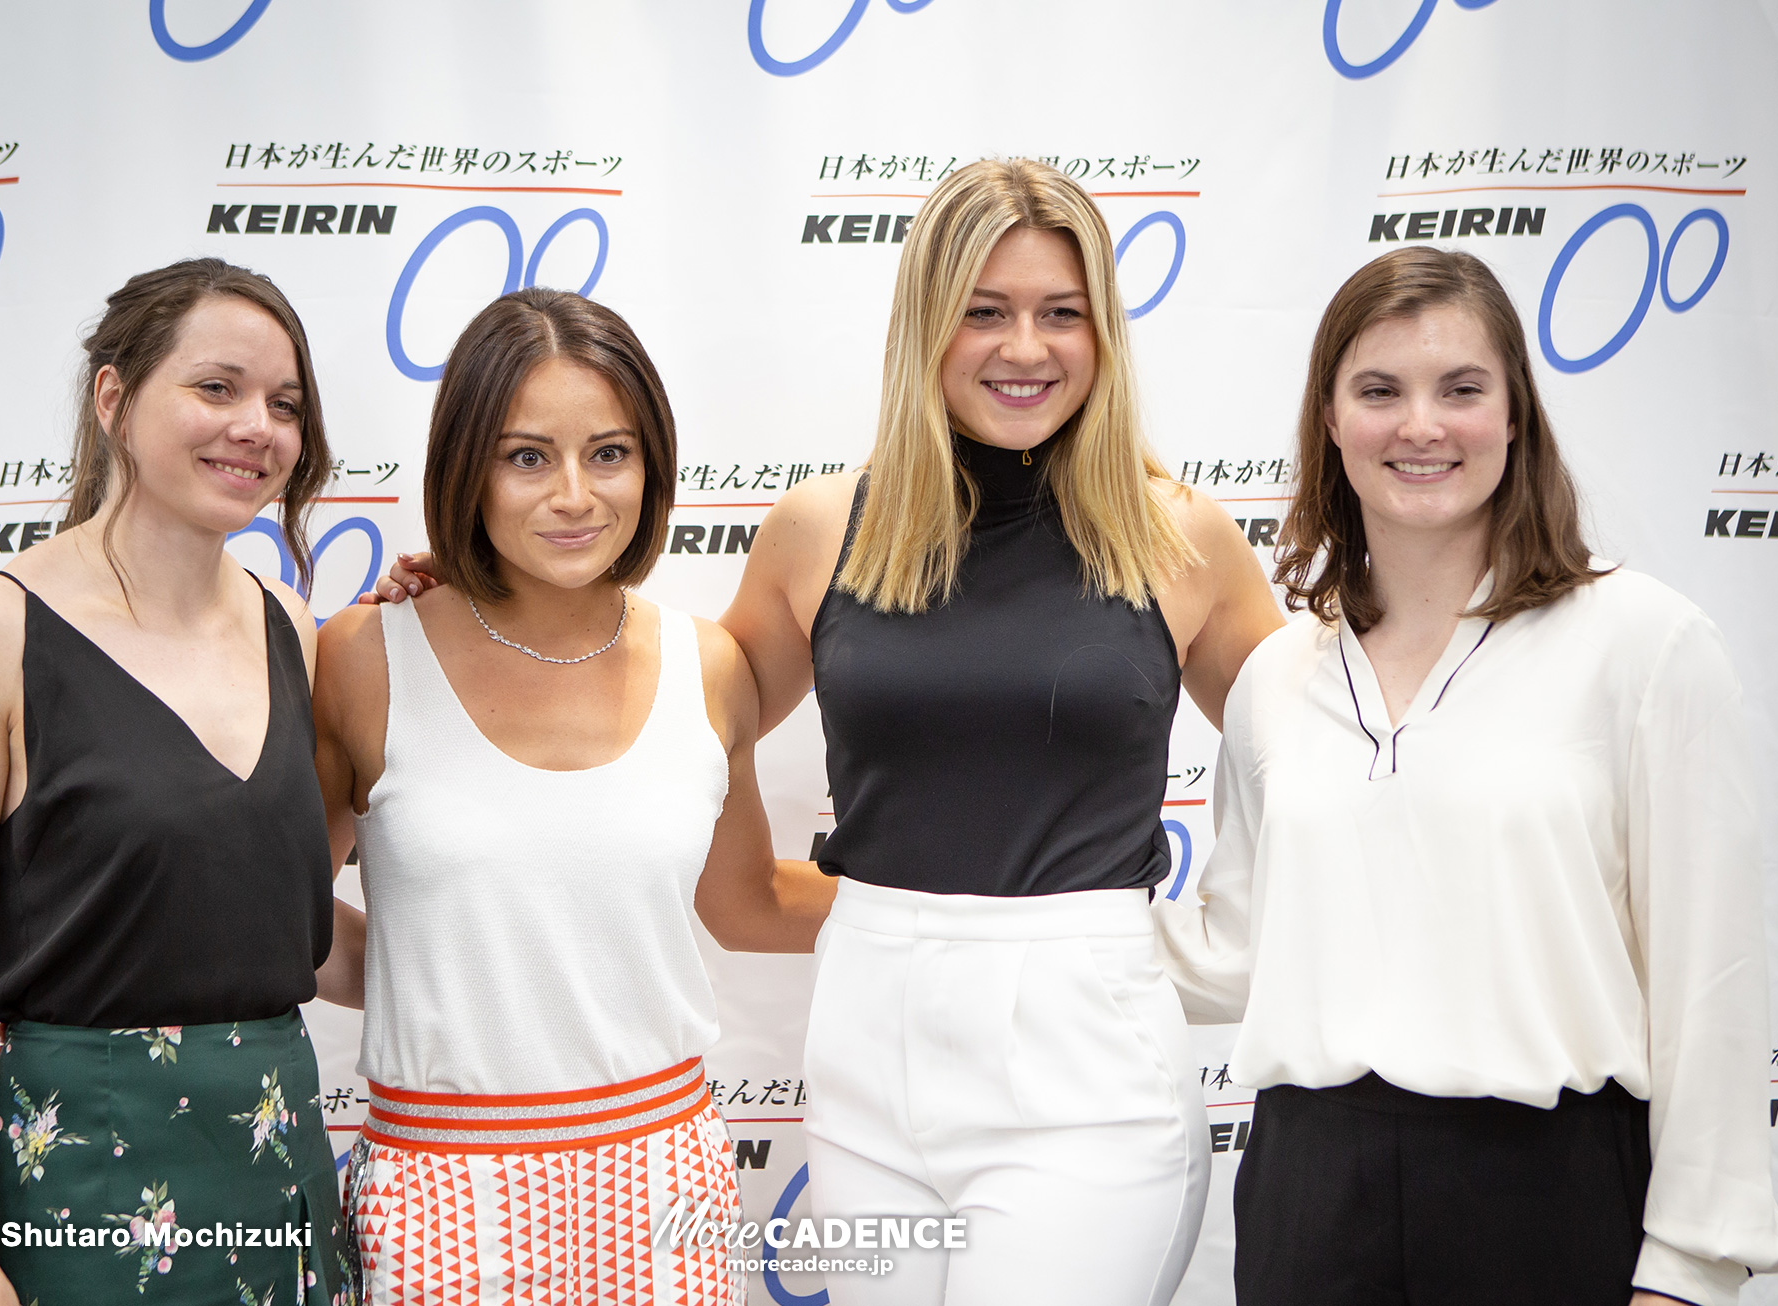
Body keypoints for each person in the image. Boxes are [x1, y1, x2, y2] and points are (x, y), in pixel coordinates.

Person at [380, 156, 1283, 1304]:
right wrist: (467, 603)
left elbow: (1313, 743)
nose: (1024, 347)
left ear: (1104, 332)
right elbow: (664, 714)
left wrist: (1233, 940)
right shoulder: (819, 528)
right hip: (866, 1053)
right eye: (983, 311)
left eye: (1062, 314)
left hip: (1087, 1062)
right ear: (923, 326)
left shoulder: (1176, 535)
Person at [1152, 246, 1778, 1306]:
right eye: (1379, 390)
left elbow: (1707, 980)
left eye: (1460, 389)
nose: (1420, 426)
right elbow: (1239, 946)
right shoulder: (1276, 674)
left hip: (1548, 1195)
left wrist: (1689, 1267)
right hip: (1307, 1194)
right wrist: (1008, 915)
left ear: (1514, 416)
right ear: (1330, 421)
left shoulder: (1645, 644)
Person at [314, 288, 830, 1305]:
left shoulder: (709, 664)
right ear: (466, 466)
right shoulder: (365, 656)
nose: (573, 496)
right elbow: (284, 918)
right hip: (439, 1187)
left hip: (661, 1185)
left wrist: (976, 898)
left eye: (608, 452)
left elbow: (747, 906)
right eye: (525, 456)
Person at [0, 259, 349, 1305]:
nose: (257, 428)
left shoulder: (294, 628)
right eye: (216, 388)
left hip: (282, 1169)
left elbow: (272, 907)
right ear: (113, 399)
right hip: (80, 1175)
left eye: (285, 404)